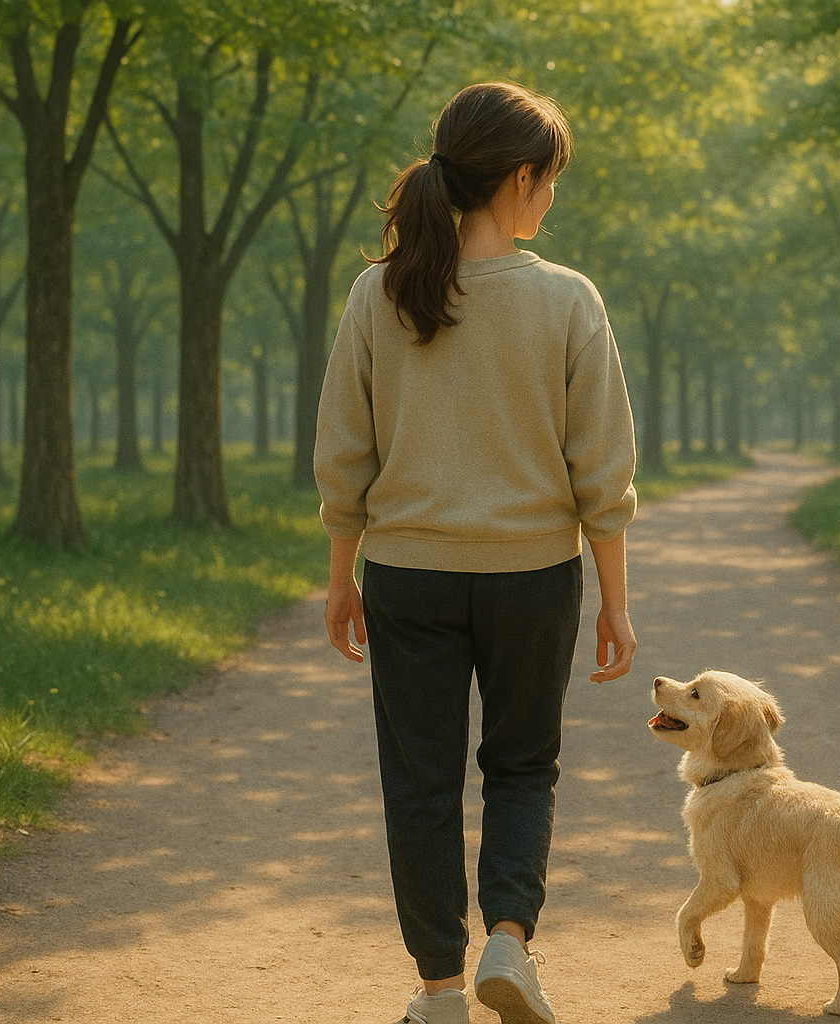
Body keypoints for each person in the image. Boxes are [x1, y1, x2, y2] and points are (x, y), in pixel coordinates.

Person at [314, 82, 639, 1024]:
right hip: (534, 578)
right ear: (520, 178)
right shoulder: (567, 300)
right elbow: (602, 470)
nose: (551, 202)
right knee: (523, 765)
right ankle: (509, 940)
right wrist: (615, 600)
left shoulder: (379, 292)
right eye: (550, 182)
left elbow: (345, 453)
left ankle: (440, 992)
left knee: (418, 782)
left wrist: (343, 576)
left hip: (408, 574)